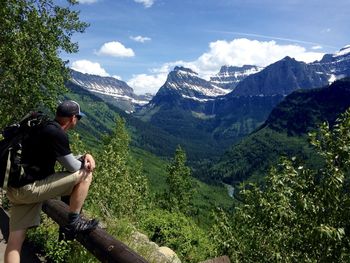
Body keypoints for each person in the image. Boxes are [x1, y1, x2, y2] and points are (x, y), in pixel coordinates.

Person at [4, 100, 98, 263]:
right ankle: (74, 222)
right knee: (86, 175)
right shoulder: (57, 134)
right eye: (78, 119)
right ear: (73, 118)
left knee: (14, 243)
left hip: (14, 188)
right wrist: (86, 159)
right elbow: (73, 168)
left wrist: (83, 156)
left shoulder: (41, 125)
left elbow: (62, 157)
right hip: (29, 189)